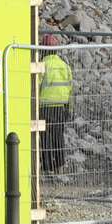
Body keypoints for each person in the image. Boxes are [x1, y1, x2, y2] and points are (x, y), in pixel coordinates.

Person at [39, 34, 73, 175]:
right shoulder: (64, 65)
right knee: (58, 136)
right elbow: (70, 88)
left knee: (45, 137)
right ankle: (59, 166)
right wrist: (68, 108)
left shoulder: (42, 65)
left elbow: (35, 85)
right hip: (61, 107)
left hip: (46, 106)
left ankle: (47, 168)